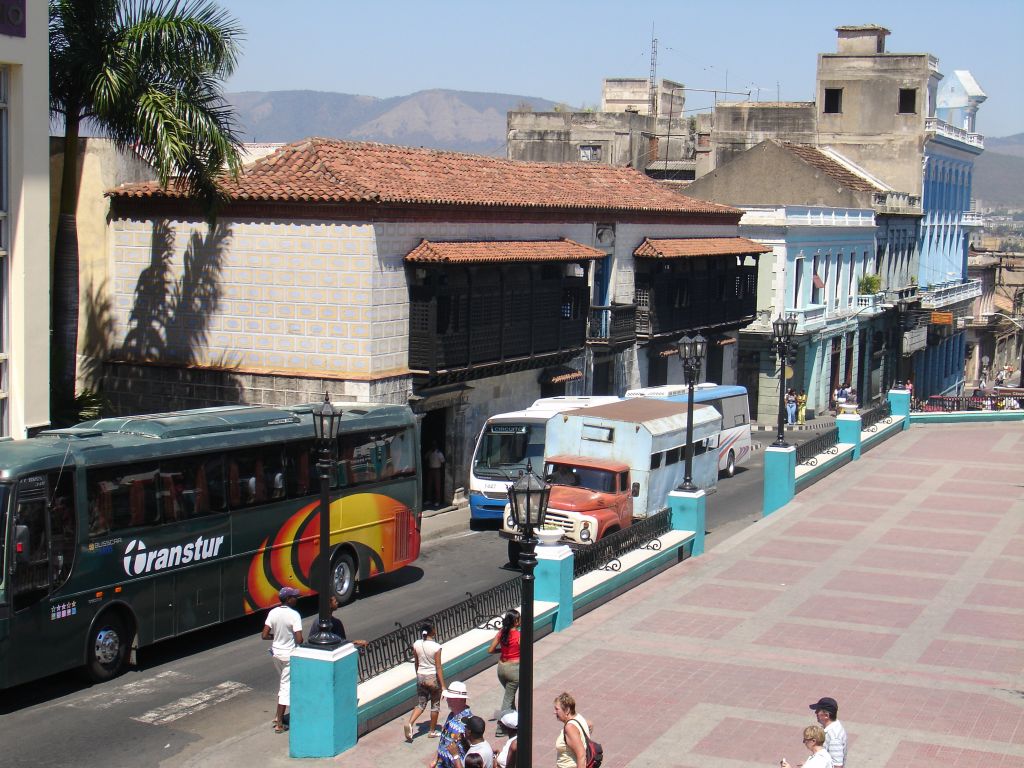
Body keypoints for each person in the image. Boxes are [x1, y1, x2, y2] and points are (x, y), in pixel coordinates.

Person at [261, 586, 304, 733]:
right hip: (288, 656)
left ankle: (276, 716)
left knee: (284, 684)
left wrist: (277, 637)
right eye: (294, 597)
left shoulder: (273, 612)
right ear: (288, 599)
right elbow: (299, 639)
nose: (296, 599)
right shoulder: (294, 615)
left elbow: (265, 635)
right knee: (286, 688)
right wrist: (293, 638)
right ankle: (279, 723)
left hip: (276, 654)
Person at [407, 622, 445, 742]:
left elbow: (416, 662)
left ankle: (409, 723)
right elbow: (438, 667)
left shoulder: (417, 644)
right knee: (435, 705)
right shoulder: (436, 647)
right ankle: (432, 731)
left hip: (420, 677)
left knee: (421, 704)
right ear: (431, 632)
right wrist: (443, 686)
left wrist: (418, 675)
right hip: (432, 678)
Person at [488, 610, 521, 735]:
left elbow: (490, 650)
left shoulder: (502, 633)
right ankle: (501, 728)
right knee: (508, 700)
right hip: (514, 669)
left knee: (510, 696)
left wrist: (501, 652)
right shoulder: (518, 635)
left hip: (501, 668)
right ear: (516, 621)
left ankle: (514, 723)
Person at [430, 681, 472, 768]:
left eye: (450, 697)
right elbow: (443, 739)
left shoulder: (468, 722)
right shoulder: (452, 715)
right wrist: (435, 758)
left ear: (459, 699)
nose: (447, 699)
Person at [553, 691, 593, 768]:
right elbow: (590, 724)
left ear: (567, 710)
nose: (554, 712)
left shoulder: (570, 728)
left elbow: (581, 755)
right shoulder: (578, 717)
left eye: (557, 709)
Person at [809, 696, 847, 768]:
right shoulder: (831, 728)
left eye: (817, 711)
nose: (815, 713)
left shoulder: (834, 738)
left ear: (826, 715)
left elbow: (837, 766)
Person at [425, 442, 446, 506]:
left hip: (437, 470)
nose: (433, 447)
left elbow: (443, 461)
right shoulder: (429, 452)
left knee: (437, 486)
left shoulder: (439, 453)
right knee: (429, 485)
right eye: (432, 445)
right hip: (431, 469)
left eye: (434, 445)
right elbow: (425, 457)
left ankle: (437, 501)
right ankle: (429, 500)